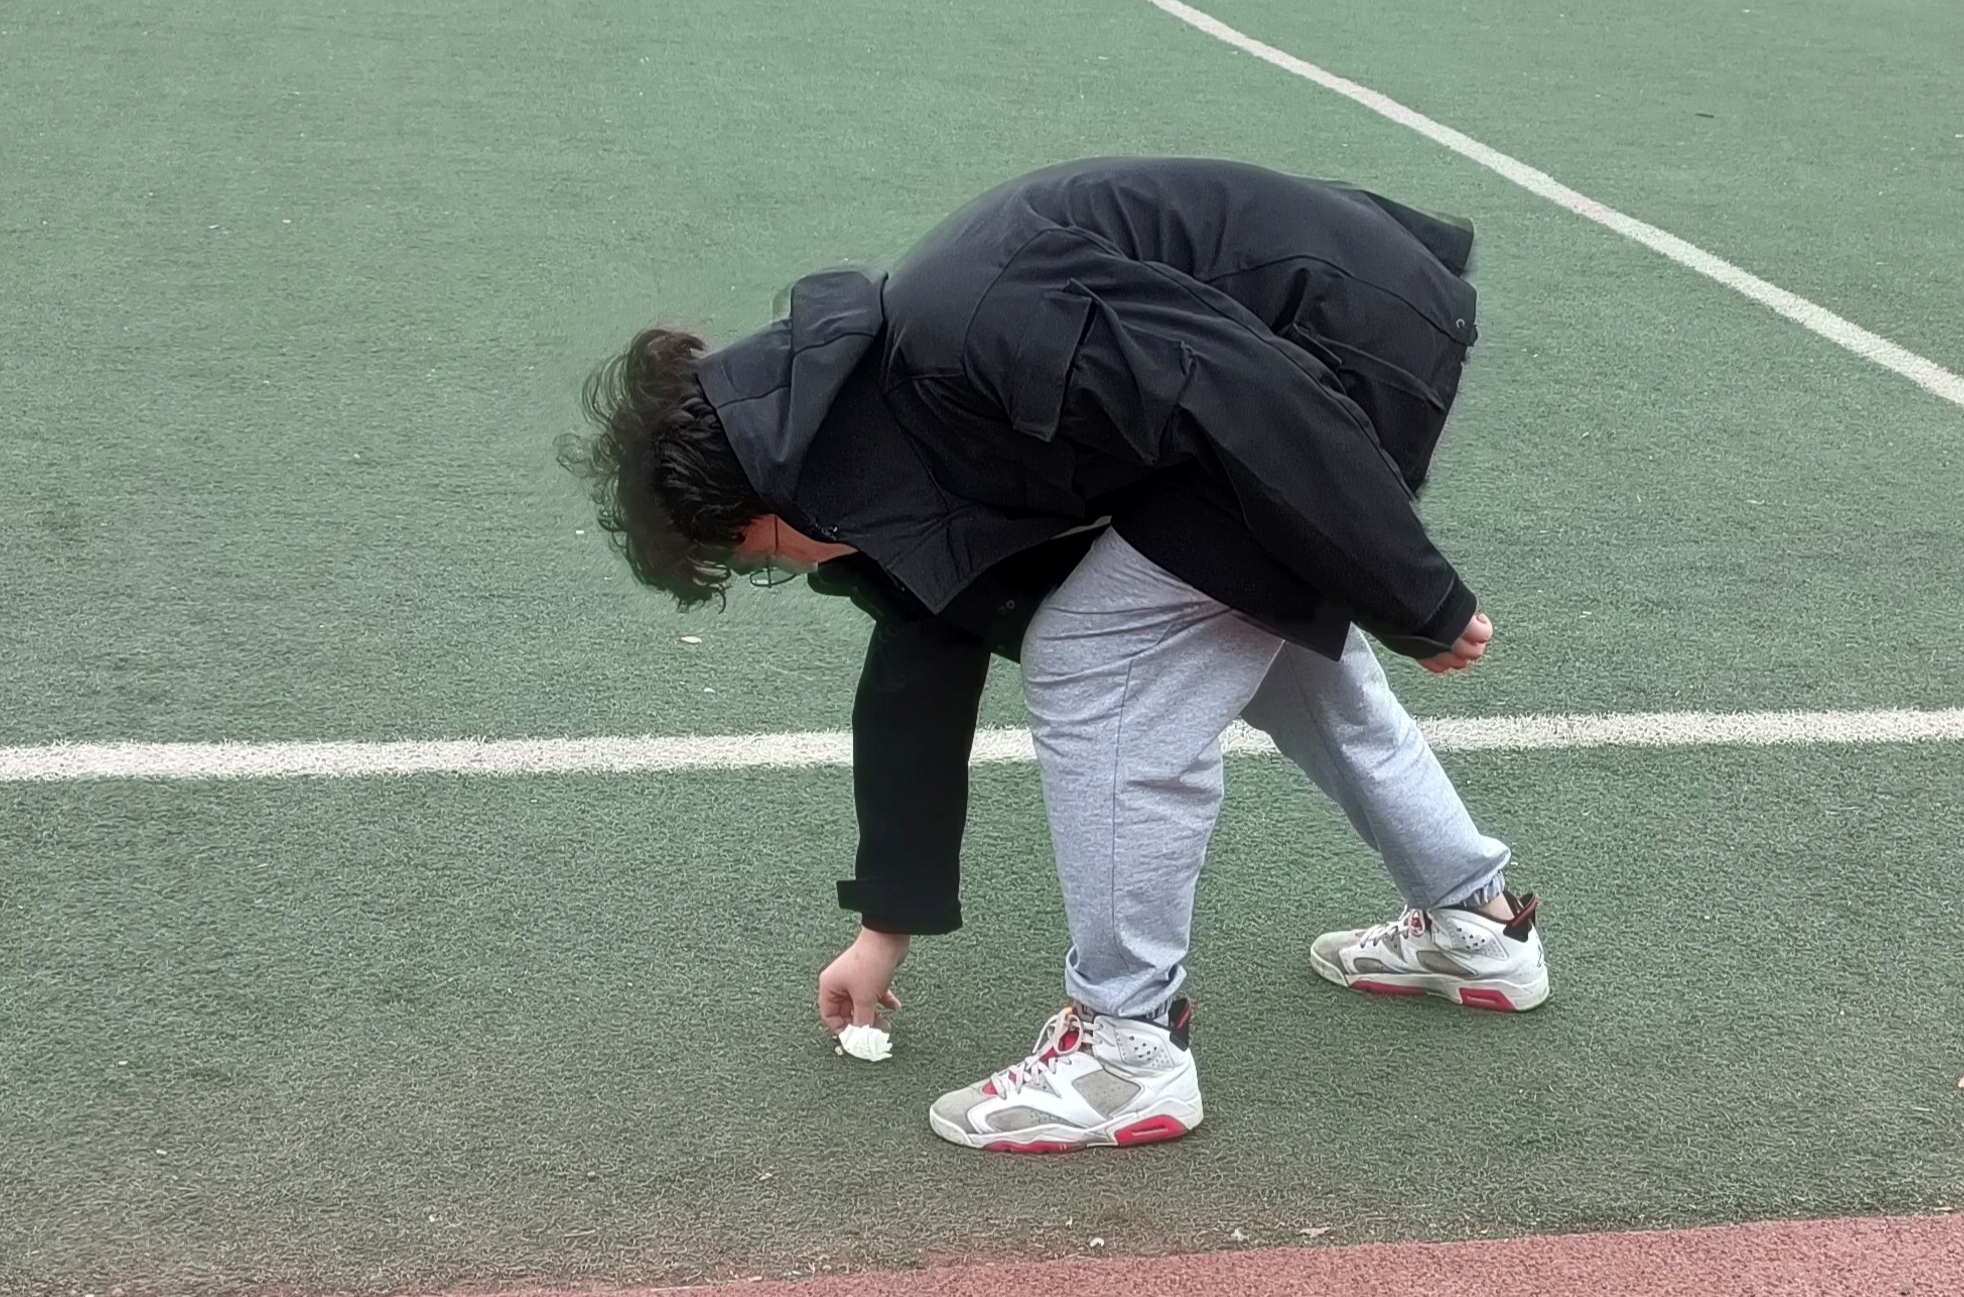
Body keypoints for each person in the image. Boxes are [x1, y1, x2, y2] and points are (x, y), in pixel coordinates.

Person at [562, 157, 1549, 1153]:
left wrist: (1410, 590)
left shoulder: (964, 332)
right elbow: (922, 656)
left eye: (759, 558)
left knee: (1093, 655)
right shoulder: (862, 426)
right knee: (1253, 625)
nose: (786, 568)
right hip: (1300, 357)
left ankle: (1128, 1050)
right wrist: (883, 927)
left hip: (1335, 343)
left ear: (762, 498)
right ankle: (1476, 923)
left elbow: (1239, 384)